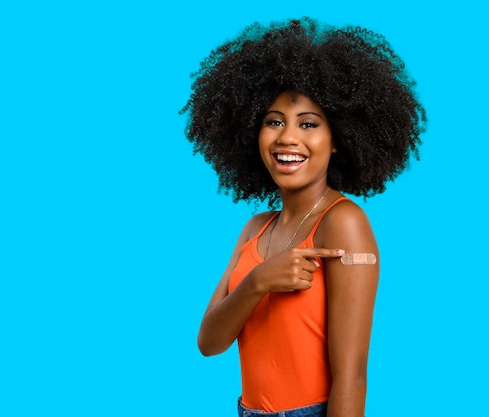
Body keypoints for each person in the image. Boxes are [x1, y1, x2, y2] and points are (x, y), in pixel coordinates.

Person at [180, 17, 426, 417]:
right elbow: (209, 343)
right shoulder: (256, 227)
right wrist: (259, 281)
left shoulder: (343, 222)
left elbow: (352, 376)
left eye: (308, 124)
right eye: (273, 121)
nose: (286, 138)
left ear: (338, 141)